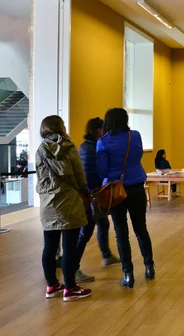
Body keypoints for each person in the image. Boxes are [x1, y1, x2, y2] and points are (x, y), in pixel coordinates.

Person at [36, 115, 92, 301]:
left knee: (49, 246)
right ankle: (70, 288)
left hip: (48, 203)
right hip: (68, 201)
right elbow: (78, 172)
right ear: (60, 127)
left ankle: (52, 286)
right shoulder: (68, 146)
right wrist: (84, 190)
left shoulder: (40, 149)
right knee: (69, 247)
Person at [97, 108, 154, 288]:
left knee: (121, 232)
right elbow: (137, 157)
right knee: (141, 229)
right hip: (137, 187)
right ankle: (149, 267)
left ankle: (128, 274)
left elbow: (102, 171)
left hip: (116, 191)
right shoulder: (135, 136)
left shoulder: (103, 142)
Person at [75, 117, 120, 284]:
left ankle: (107, 255)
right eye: (103, 129)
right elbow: (89, 175)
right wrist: (96, 192)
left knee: (103, 224)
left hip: (94, 195)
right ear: (97, 131)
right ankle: (73, 268)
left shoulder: (91, 146)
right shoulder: (89, 148)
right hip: (91, 196)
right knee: (85, 232)